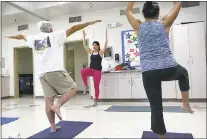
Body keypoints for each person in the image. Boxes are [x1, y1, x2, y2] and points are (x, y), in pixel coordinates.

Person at [5, 19, 101, 132]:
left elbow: (21, 36)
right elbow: (74, 28)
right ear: (50, 29)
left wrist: (11, 36)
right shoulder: (54, 36)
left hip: (42, 74)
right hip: (54, 70)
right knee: (73, 88)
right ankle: (58, 106)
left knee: (48, 100)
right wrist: (89, 23)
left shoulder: (33, 39)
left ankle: (53, 127)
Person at [126, 1, 194, 139]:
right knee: (183, 73)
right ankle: (185, 103)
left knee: (156, 107)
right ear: (158, 13)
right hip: (167, 68)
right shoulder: (164, 23)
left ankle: (161, 137)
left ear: (143, 14)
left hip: (149, 73)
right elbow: (178, 4)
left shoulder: (138, 26)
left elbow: (128, 11)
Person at [80, 28, 108, 107]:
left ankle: (96, 100)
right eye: (93, 45)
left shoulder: (100, 52)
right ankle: (86, 85)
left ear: (98, 46)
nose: (94, 46)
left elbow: (105, 46)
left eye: (95, 45)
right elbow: (84, 45)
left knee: (96, 86)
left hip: (97, 72)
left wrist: (106, 36)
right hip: (91, 69)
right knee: (82, 71)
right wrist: (83, 36)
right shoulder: (91, 52)